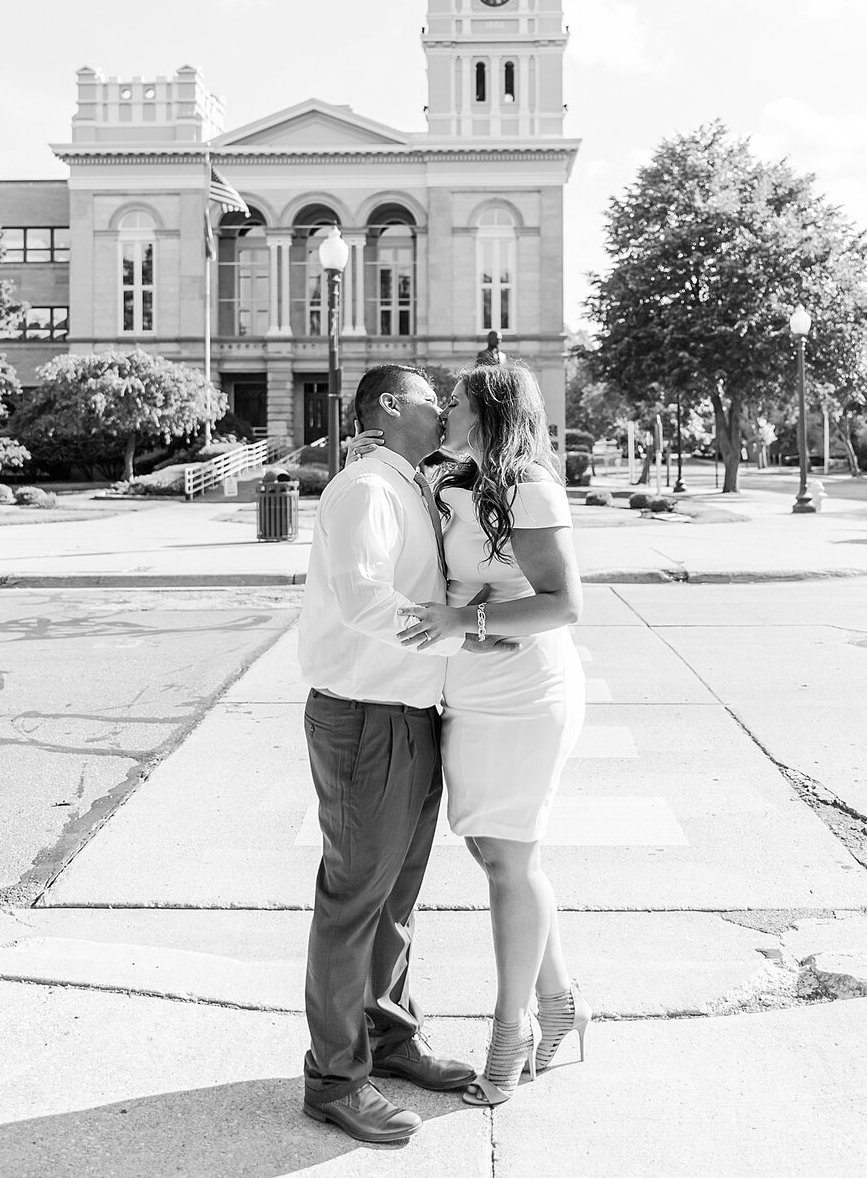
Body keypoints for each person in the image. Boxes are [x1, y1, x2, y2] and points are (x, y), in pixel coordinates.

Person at [360, 363, 589, 1106]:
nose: (445, 408)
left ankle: (511, 1028)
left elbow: (563, 604)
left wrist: (470, 618)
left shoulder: (529, 485)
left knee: (508, 861)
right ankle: (560, 1004)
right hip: (471, 687)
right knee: (501, 853)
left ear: (489, 412)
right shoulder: (458, 480)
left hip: (525, 692)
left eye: (454, 401)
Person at [297, 363, 475, 1146]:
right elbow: (364, 594)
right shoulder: (368, 486)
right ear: (393, 407)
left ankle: (391, 1041)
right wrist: (459, 627)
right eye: (434, 402)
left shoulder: (402, 478)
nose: (443, 413)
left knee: (394, 902)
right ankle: (336, 1079)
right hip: (366, 716)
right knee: (354, 902)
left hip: (409, 713)